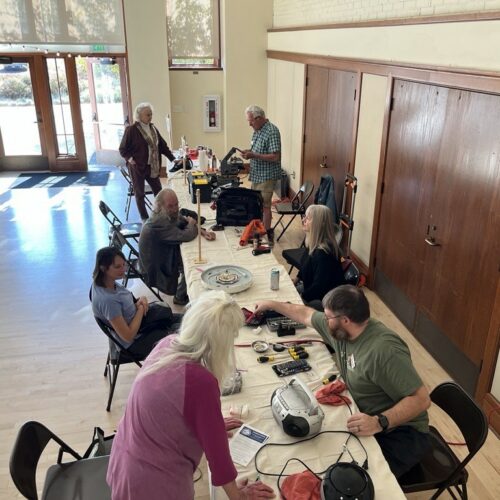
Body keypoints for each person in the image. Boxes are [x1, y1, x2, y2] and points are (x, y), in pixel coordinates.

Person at [106, 290, 275, 500]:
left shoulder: (167, 344)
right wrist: (239, 496)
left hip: (125, 462)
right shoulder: (200, 381)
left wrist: (209, 425)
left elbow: (171, 408)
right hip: (153, 485)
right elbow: (218, 459)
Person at [254, 285, 431, 478]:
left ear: (345, 320)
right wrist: (270, 304)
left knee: (353, 481)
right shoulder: (342, 330)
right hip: (364, 413)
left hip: (402, 431)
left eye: (328, 316)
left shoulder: (385, 351)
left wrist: (379, 422)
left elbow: (421, 400)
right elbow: (305, 314)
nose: (325, 319)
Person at [91, 246, 180, 359]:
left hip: (140, 324)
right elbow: (128, 336)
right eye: (117, 267)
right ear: (103, 268)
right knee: (187, 334)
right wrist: (141, 308)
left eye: (124, 264)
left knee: (187, 320)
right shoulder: (108, 300)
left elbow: (125, 305)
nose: (123, 269)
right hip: (136, 342)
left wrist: (140, 300)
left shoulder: (105, 282)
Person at [139, 188, 216, 306]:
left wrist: (202, 231)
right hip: (156, 266)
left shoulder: (164, 212)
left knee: (192, 256)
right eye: (171, 206)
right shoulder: (159, 221)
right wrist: (191, 224)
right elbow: (187, 235)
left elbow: (181, 220)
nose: (175, 209)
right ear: (160, 206)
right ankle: (180, 296)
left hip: (163, 252)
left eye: (176, 204)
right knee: (190, 263)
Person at [119, 102, 176, 221]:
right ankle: (144, 219)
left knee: (159, 192)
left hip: (152, 167)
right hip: (137, 167)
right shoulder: (131, 130)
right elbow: (122, 149)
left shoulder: (153, 128)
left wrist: (173, 159)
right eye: (147, 115)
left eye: (151, 114)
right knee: (139, 194)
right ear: (139, 116)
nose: (150, 117)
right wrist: (130, 159)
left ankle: (160, 215)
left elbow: (162, 146)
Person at [294, 204, 346, 305]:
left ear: (320, 224)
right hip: (312, 288)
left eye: (308, 218)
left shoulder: (323, 254)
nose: (303, 220)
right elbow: (305, 266)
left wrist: (298, 299)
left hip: (326, 301)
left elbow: (318, 288)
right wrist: (295, 281)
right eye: (304, 217)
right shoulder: (314, 243)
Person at [241, 105, 281, 230]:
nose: (249, 124)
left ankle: (265, 233)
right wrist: (249, 152)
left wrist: (253, 155)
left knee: (265, 206)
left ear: (258, 118)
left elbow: (275, 156)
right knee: (257, 203)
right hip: (257, 175)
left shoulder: (271, 131)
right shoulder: (257, 131)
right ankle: (259, 228)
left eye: (251, 121)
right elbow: (257, 150)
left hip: (267, 176)